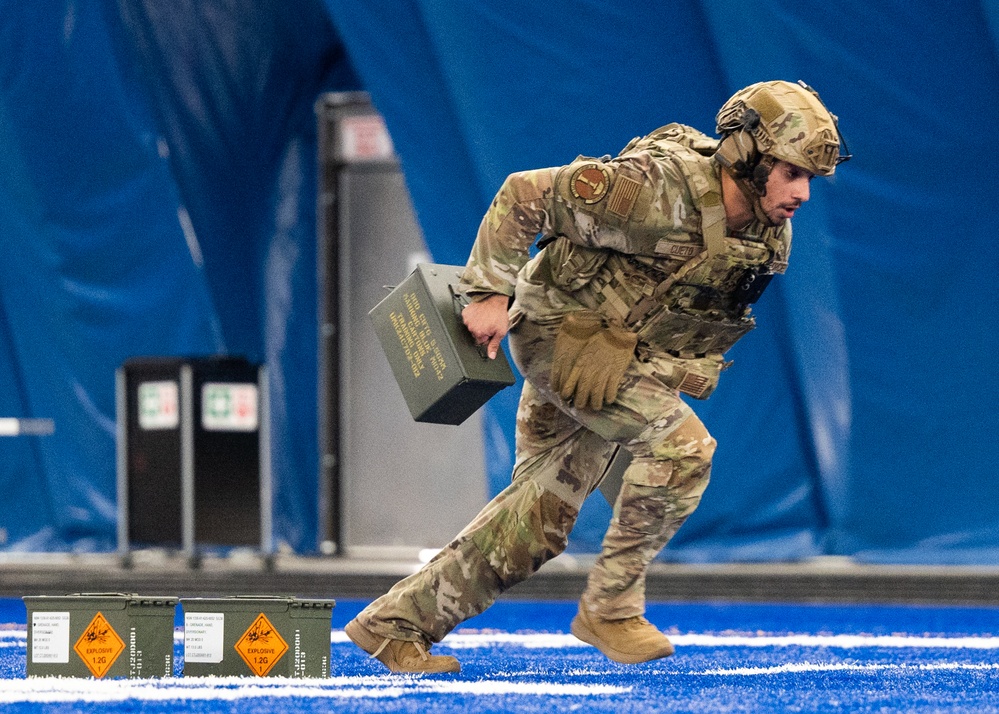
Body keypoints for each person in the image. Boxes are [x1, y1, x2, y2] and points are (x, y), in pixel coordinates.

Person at [345, 80, 850, 673]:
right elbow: (524, 194)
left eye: (811, 178)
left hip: (614, 362)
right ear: (747, 154)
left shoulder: (766, 231)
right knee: (683, 448)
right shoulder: (654, 191)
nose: (803, 193)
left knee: (541, 518)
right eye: (792, 172)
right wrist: (486, 292)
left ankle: (394, 625)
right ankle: (611, 608)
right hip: (554, 332)